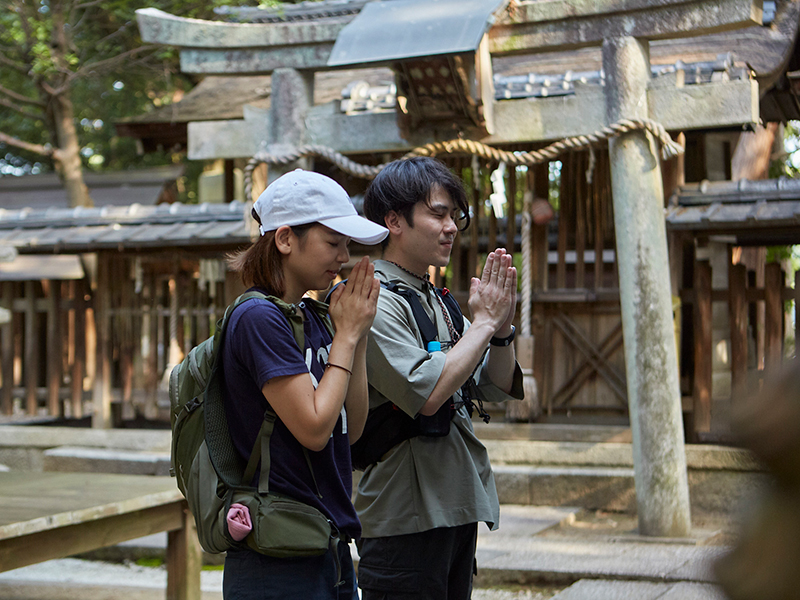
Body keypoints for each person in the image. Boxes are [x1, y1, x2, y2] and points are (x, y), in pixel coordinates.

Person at [356, 157, 524, 600]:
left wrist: (502, 329)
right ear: (394, 220)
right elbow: (428, 392)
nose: (451, 227)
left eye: (455, 215)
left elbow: (495, 385)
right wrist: (485, 325)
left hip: (454, 506)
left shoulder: (435, 298)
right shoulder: (371, 298)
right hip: (403, 515)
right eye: (438, 213)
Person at [221, 169, 388, 600]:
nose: (343, 256)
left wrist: (358, 333)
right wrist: (346, 336)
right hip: (276, 557)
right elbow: (315, 430)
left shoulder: (312, 317)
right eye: (333, 243)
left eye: (346, 245)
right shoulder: (258, 319)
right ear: (284, 239)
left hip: (326, 545)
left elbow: (352, 425)